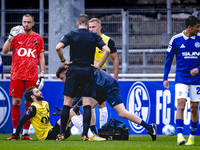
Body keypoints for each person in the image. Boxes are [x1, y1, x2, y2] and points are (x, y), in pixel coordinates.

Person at [56, 65, 157, 141]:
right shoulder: (74, 78)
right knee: (87, 107)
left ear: (67, 73)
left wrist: (77, 105)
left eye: (62, 78)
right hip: (98, 88)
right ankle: (94, 135)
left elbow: (85, 93)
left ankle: (149, 127)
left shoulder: (78, 75)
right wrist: (66, 109)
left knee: (122, 113)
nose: (62, 81)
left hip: (108, 86)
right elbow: (76, 97)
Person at [55, 14, 110, 141]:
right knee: (86, 104)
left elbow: (58, 47)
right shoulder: (94, 36)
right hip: (88, 71)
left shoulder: (71, 34)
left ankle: (62, 134)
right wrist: (99, 65)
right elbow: (106, 50)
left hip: (73, 70)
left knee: (67, 103)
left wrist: (64, 61)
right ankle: (85, 134)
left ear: (78, 23)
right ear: (87, 23)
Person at [2, 13, 45, 140]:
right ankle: (15, 133)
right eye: (24, 22)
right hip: (17, 75)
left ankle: (25, 133)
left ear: (33, 23)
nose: (26, 24)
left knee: (29, 103)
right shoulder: (16, 36)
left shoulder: (38, 38)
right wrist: (10, 37)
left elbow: (41, 57)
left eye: (29, 22)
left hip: (32, 76)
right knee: (16, 102)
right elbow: (5, 50)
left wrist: (42, 74)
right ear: (22, 22)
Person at [163, 16, 200, 146]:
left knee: (194, 108)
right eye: (197, 27)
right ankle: (179, 136)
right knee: (181, 105)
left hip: (196, 80)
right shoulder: (176, 39)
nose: (199, 29)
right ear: (190, 27)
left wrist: (199, 69)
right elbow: (168, 59)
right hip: (181, 78)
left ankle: (192, 137)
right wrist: (165, 78)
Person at [89, 18, 119, 128]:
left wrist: (115, 77)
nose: (91, 29)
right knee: (88, 104)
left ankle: (102, 129)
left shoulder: (108, 40)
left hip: (101, 74)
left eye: (94, 27)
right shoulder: (87, 39)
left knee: (101, 103)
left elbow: (115, 59)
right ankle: (92, 130)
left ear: (100, 27)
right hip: (88, 73)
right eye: (90, 27)